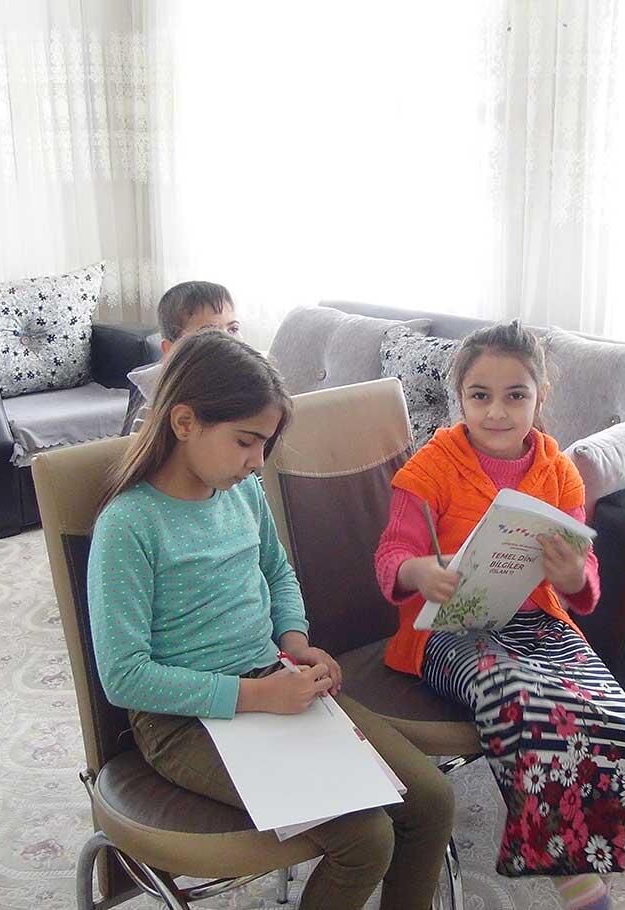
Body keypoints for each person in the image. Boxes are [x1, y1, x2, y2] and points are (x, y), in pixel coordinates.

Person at [88, 329, 455, 910]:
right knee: (366, 840)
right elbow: (125, 676)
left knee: (432, 800)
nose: (258, 461)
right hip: (182, 722)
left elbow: (277, 572)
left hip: (270, 678)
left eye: (264, 445)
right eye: (246, 441)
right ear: (184, 422)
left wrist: (295, 641)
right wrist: (258, 696)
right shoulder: (128, 524)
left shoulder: (243, 493)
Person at [374, 321, 625, 910]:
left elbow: (583, 576)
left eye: (515, 395)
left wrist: (571, 575)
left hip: (536, 622)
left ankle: (583, 847)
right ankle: (577, 883)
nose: (496, 412)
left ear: (539, 396)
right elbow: (390, 554)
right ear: (461, 397)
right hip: (446, 629)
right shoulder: (431, 467)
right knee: (520, 699)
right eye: (480, 396)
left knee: (618, 717)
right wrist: (420, 571)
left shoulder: (558, 472)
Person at [120, 280, 242, 435]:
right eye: (209, 332)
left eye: (233, 329)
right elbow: (138, 446)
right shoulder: (160, 404)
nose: (228, 340)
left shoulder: (251, 383)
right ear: (171, 350)